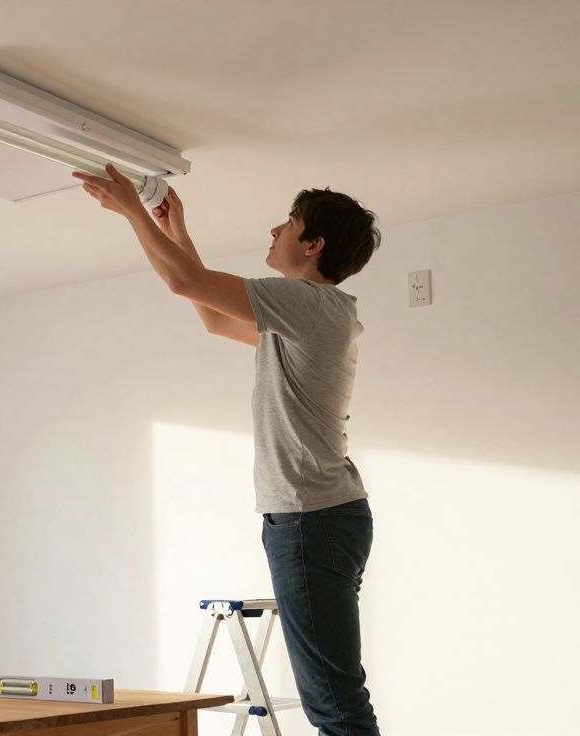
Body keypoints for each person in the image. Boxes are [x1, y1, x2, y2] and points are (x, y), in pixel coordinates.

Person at [74, 165, 382, 735]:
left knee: (333, 704)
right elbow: (214, 317)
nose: (273, 230)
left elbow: (186, 284)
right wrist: (177, 234)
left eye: (288, 224)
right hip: (314, 516)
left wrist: (132, 211)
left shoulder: (309, 305)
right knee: (333, 698)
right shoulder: (303, 317)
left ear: (312, 245)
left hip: (311, 518)